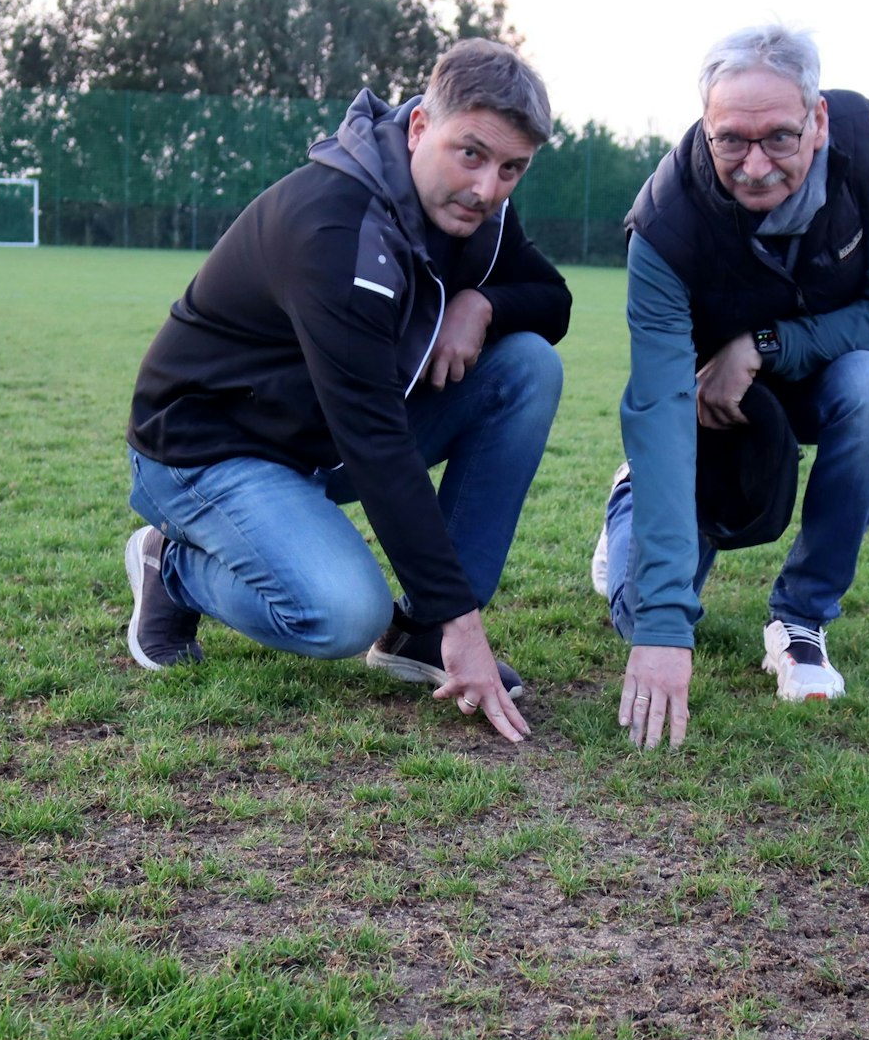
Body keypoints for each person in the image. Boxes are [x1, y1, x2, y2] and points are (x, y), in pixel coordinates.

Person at [123, 39, 571, 745]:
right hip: (207, 448)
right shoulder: (334, 226)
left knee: (526, 367)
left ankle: (420, 631)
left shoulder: (478, 213)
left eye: (511, 168)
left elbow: (553, 301)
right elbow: (375, 438)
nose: (487, 189)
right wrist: (466, 623)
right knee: (341, 615)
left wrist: (482, 304)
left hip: (318, 439)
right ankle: (170, 567)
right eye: (471, 154)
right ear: (419, 127)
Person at [594, 24, 869, 749]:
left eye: (778, 137)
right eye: (731, 142)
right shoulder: (663, 223)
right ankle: (632, 497)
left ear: (818, 121)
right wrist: (663, 628)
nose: (753, 166)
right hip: (706, 404)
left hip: (821, 379)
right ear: (705, 126)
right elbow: (658, 405)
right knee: (640, 612)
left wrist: (764, 345)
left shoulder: (866, 146)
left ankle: (801, 618)